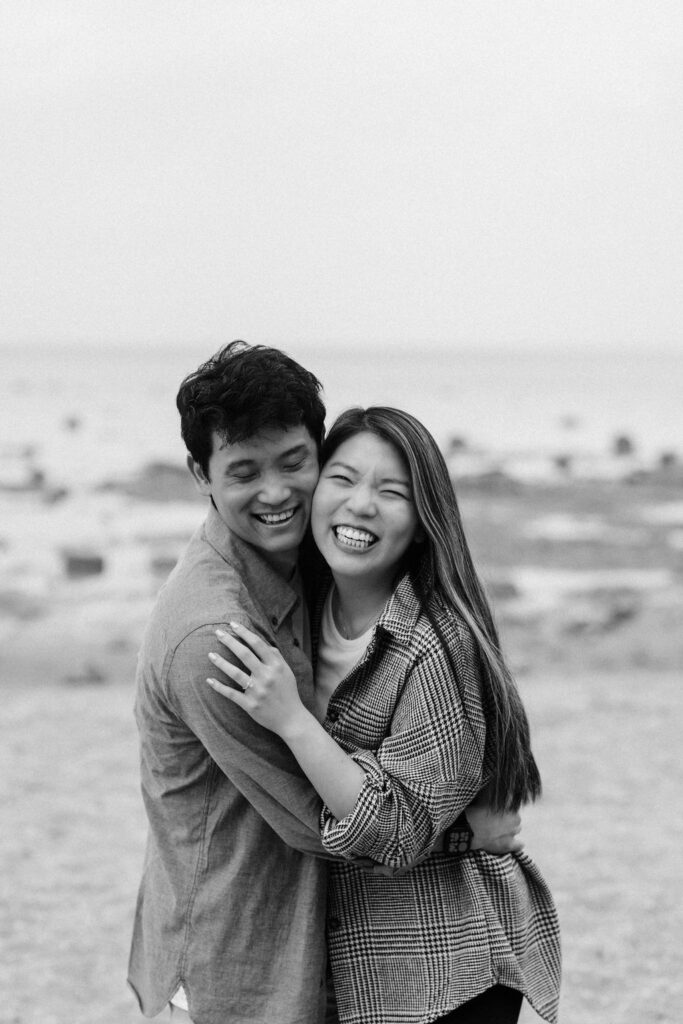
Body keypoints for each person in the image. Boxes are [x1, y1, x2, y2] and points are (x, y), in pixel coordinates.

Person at [128, 343, 525, 1024]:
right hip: (238, 954)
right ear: (201, 474)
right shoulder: (215, 637)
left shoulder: (312, 574)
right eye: (243, 472)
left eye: (293, 464)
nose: (277, 493)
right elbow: (316, 822)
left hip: (351, 955)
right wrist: (466, 826)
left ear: (317, 452)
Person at [207, 405, 562, 1024]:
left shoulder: (434, 648)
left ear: (424, 523)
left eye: (390, 492)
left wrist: (292, 720)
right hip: (350, 967)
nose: (360, 505)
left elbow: (397, 832)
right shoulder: (300, 605)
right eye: (341, 479)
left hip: (444, 974)